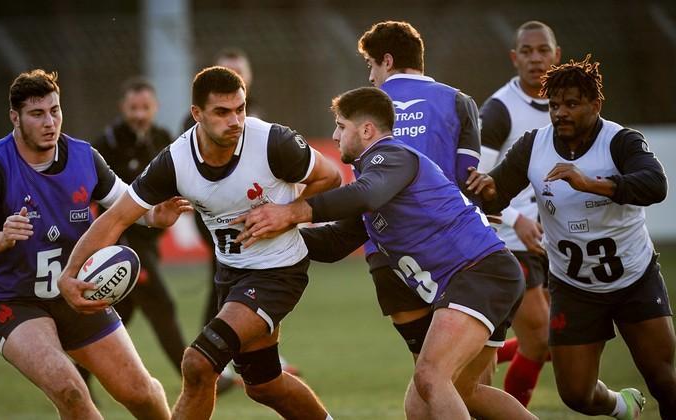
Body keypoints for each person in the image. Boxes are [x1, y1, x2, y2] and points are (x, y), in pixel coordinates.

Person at [57, 66, 342, 420]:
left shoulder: (272, 141)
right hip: (232, 274)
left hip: (278, 272)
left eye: (240, 109)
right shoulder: (176, 161)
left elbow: (330, 176)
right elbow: (115, 218)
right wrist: (69, 274)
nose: (235, 121)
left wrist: (287, 213)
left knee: (198, 363)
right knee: (264, 385)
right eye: (222, 112)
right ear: (197, 114)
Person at [234, 86, 533, 419]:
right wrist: (271, 237)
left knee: (430, 376)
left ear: (366, 130)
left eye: (341, 126)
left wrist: (291, 212)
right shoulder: (377, 178)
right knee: (436, 400)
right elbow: (335, 243)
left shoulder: (391, 156)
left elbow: (365, 195)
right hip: (484, 277)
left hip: (480, 273)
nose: (335, 136)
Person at [0, 69, 180, 419]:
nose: (50, 122)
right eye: (37, 114)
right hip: (13, 300)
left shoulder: (84, 157)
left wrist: (155, 214)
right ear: (15, 117)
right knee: (71, 392)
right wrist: (0, 237)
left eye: (55, 111)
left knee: (141, 392)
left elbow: (125, 203)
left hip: (74, 291)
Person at [467, 55, 675, 419]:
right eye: (554, 105)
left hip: (633, 279)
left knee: (664, 380)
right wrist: (485, 190)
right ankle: (622, 406)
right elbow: (498, 192)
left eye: (572, 104)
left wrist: (590, 183)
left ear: (595, 105)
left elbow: (656, 185)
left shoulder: (620, 141)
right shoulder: (534, 145)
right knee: (577, 395)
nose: (560, 113)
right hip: (574, 286)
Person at [356, 19, 488, 378]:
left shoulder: (363, 110)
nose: (370, 76)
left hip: (389, 253)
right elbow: (468, 181)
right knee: (466, 377)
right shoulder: (458, 102)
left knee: (428, 373)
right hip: (453, 250)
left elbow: (361, 185)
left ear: (386, 60)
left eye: (370, 65)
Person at [182, 47, 299, 391]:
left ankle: (248, 352)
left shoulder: (255, 116)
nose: (234, 120)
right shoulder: (196, 124)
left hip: (258, 219)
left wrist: (288, 208)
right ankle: (218, 355)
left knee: (247, 282)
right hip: (221, 220)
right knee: (228, 282)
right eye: (229, 69)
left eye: (241, 71)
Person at [77, 77, 185, 390]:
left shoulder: (163, 138)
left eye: (145, 107)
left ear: (156, 107)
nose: (139, 114)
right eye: (133, 108)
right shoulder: (107, 143)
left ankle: (77, 379)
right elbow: (94, 198)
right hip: (122, 243)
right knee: (163, 306)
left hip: (148, 242)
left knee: (117, 314)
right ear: (122, 108)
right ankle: (195, 374)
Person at [477, 20, 561, 406]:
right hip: (507, 240)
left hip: (549, 241)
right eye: (526, 51)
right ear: (514, 58)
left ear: (556, 55)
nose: (535, 58)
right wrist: (516, 219)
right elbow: (475, 183)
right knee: (542, 338)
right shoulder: (499, 110)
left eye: (542, 50)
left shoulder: (567, 105)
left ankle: (479, 358)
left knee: (554, 340)